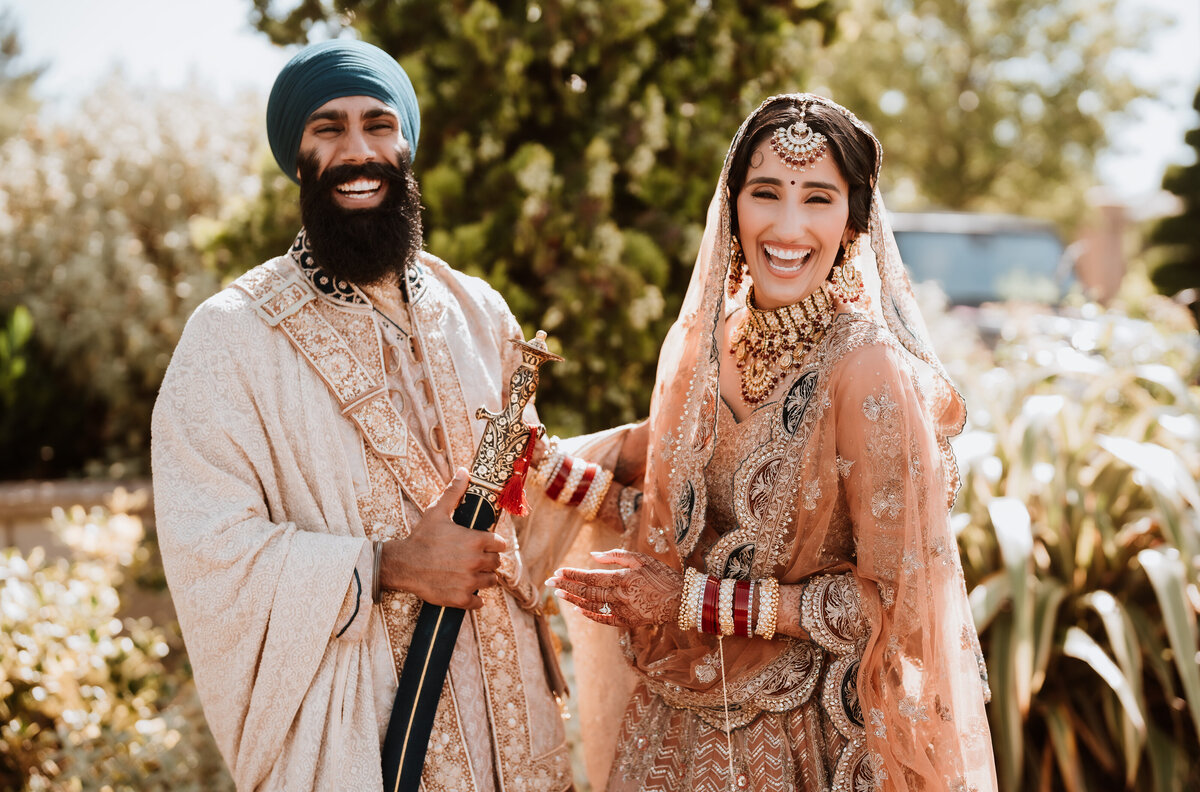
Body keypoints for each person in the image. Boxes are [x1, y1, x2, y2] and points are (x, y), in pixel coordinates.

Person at [152, 40, 586, 792]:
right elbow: (208, 552)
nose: (358, 150)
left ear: (407, 144)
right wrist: (387, 565)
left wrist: (645, 455)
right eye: (328, 128)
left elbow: (530, 490)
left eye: (378, 124)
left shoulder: (478, 312)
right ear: (296, 155)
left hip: (519, 739)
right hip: (367, 746)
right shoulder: (229, 339)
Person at [545, 94, 998, 791]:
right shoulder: (700, 344)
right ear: (733, 207)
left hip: (802, 745)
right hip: (670, 735)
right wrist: (557, 478)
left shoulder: (865, 369)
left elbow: (896, 606)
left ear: (853, 221)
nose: (788, 227)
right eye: (766, 193)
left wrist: (690, 602)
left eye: (818, 198)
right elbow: (680, 526)